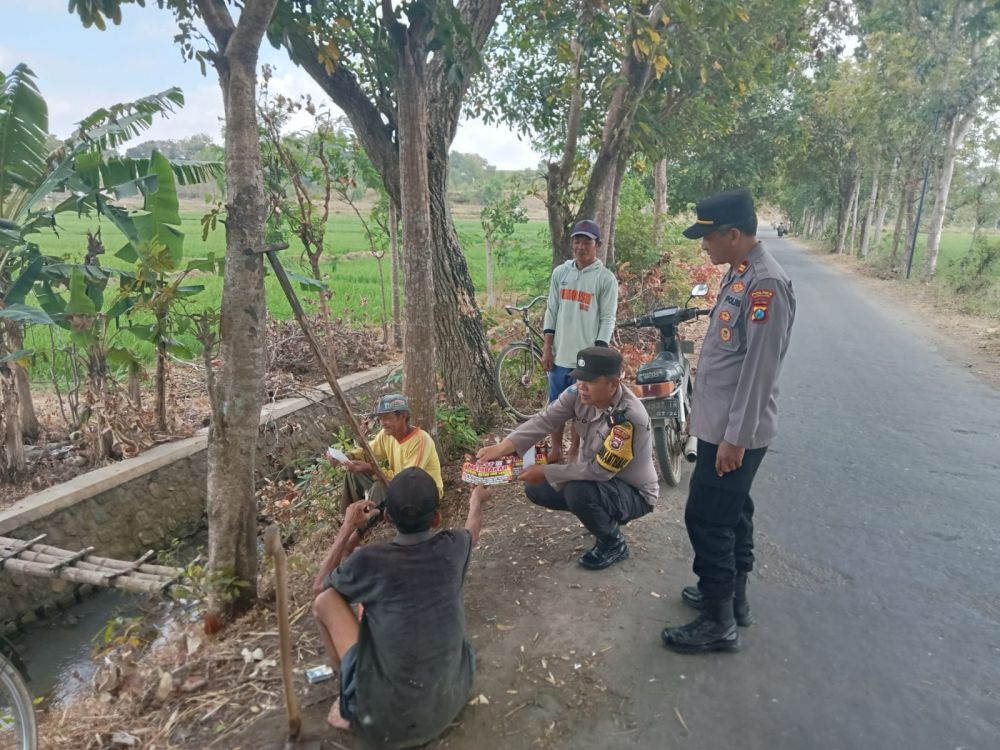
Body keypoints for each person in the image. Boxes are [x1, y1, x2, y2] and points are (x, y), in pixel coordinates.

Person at [661, 189, 795, 654]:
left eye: (708, 237)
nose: (704, 246)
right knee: (733, 512)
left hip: (735, 433)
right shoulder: (740, 273)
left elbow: (759, 372)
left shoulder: (765, 285)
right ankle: (732, 599)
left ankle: (717, 622)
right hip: (722, 427)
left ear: (733, 235)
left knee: (707, 517)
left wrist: (735, 440)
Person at [312, 467, 485, 748]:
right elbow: (473, 530)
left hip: (387, 724)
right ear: (437, 518)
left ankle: (348, 700)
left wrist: (347, 527)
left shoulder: (369, 560)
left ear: (388, 517)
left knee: (324, 602)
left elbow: (320, 587)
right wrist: (476, 500)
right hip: (451, 699)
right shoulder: (454, 546)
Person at [477, 347, 658, 570]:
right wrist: (503, 447)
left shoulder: (628, 417)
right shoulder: (576, 394)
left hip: (633, 492)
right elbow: (544, 420)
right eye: (579, 378)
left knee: (577, 492)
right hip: (595, 478)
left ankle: (613, 543)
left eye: (590, 381)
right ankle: (599, 516)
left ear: (613, 384)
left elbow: (600, 471)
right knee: (538, 489)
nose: (581, 386)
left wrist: (546, 471)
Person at [542, 219, 619, 463]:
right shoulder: (561, 273)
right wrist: (547, 347)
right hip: (560, 353)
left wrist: (598, 354)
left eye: (586, 241)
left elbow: (608, 318)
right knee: (555, 407)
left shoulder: (604, 279)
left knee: (581, 409)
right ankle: (556, 449)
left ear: (597, 244)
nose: (581, 246)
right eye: (577, 241)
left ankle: (574, 449)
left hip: (584, 359)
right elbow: (551, 310)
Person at [334, 393, 443, 513]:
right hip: (401, 484)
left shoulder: (421, 440)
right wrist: (348, 456)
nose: (382, 423)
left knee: (379, 487)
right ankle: (350, 515)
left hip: (421, 493)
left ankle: (367, 522)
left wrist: (372, 469)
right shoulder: (386, 434)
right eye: (380, 418)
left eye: (387, 418)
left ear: (403, 416)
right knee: (353, 474)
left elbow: (408, 480)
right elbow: (368, 452)